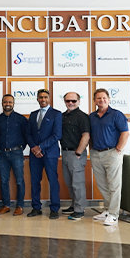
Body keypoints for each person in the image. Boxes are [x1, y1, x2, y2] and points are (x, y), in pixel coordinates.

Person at [89, 88, 129, 226]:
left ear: (109, 99)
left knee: (114, 185)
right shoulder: (91, 116)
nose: (101, 100)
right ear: (94, 100)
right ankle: (107, 209)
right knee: (102, 184)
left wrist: (118, 150)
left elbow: (125, 133)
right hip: (95, 153)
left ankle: (113, 214)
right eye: (98, 98)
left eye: (104, 98)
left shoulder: (116, 115)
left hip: (112, 152)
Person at [25, 89, 62, 219]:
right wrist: (34, 148)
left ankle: (54, 208)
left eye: (45, 97)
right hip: (34, 155)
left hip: (50, 153)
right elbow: (28, 134)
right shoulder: (33, 114)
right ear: (37, 99)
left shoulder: (56, 114)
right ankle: (36, 207)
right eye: (40, 97)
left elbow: (57, 135)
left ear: (49, 98)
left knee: (53, 181)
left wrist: (40, 147)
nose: (43, 99)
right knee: (35, 181)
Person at [0, 94, 28, 216]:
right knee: (4, 181)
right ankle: (6, 205)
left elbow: (26, 136)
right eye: (5, 102)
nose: (7, 104)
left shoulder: (21, 119)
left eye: (10, 102)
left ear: (13, 104)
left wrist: (19, 148)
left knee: (19, 180)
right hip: (2, 153)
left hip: (17, 153)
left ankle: (20, 206)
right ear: (2, 103)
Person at [60, 92, 90, 221]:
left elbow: (86, 136)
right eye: (68, 101)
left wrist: (78, 152)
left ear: (79, 101)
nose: (70, 103)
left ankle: (79, 210)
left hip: (76, 153)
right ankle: (74, 205)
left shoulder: (82, 116)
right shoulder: (62, 116)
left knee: (77, 183)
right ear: (65, 101)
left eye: (73, 101)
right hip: (65, 153)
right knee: (69, 182)